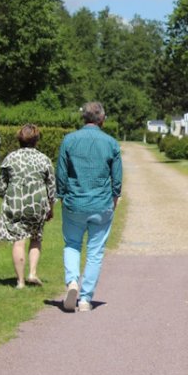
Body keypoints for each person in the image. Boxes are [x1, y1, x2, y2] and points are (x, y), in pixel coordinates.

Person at [56, 102, 123, 312]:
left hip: (74, 202)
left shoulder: (69, 140)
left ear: (83, 118)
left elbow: (61, 173)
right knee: (95, 251)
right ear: (102, 119)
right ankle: (85, 299)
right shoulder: (111, 143)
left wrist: (61, 195)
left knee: (72, 244)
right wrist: (115, 197)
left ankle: (72, 282)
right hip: (101, 204)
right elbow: (117, 177)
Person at [0, 124, 55, 289]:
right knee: (36, 238)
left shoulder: (10, 158)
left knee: (19, 240)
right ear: (36, 140)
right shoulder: (44, 160)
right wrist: (51, 208)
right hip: (37, 205)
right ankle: (32, 273)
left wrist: (6, 196)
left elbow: (1, 186)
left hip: (16, 204)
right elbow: (51, 188)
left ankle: (20, 281)